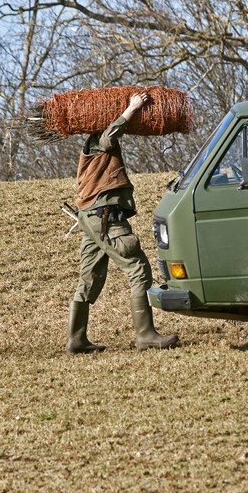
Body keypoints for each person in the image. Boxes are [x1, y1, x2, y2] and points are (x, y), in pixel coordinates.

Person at [66, 91, 179, 354]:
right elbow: (109, 138)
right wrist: (132, 108)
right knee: (139, 268)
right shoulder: (97, 140)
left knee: (89, 278)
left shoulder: (92, 144)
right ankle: (146, 335)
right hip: (105, 218)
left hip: (92, 219)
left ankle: (76, 340)